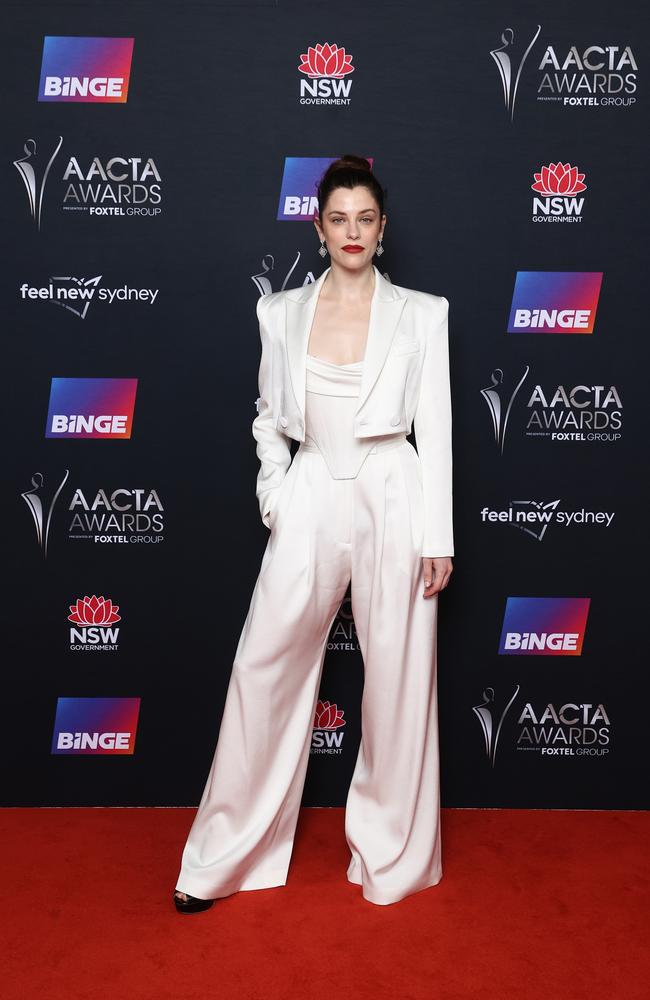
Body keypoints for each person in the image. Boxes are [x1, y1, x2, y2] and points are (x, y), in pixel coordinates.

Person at [173, 155, 454, 913]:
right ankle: (224, 857)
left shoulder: (425, 313)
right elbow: (268, 420)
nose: (353, 231)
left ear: (383, 228)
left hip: (394, 490)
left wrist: (440, 535)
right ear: (318, 225)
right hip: (309, 492)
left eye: (366, 218)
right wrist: (277, 495)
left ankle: (391, 853)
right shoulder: (281, 312)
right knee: (261, 665)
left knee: (398, 681)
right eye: (339, 218)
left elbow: (438, 429)